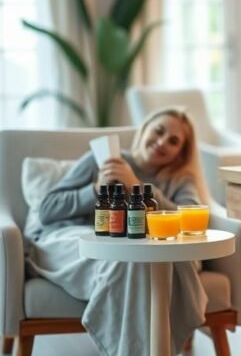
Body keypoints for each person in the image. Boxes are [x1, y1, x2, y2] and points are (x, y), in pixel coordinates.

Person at [28, 108, 210, 356]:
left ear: (180, 153)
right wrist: (96, 190)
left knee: (139, 257)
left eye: (173, 141)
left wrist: (136, 187)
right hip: (76, 237)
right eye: (158, 131)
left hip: (135, 251)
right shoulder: (105, 161)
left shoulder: (179, 179)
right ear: (144, 129)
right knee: (131, 258)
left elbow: (188, 220)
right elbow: (47, 209)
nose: (161, 142)